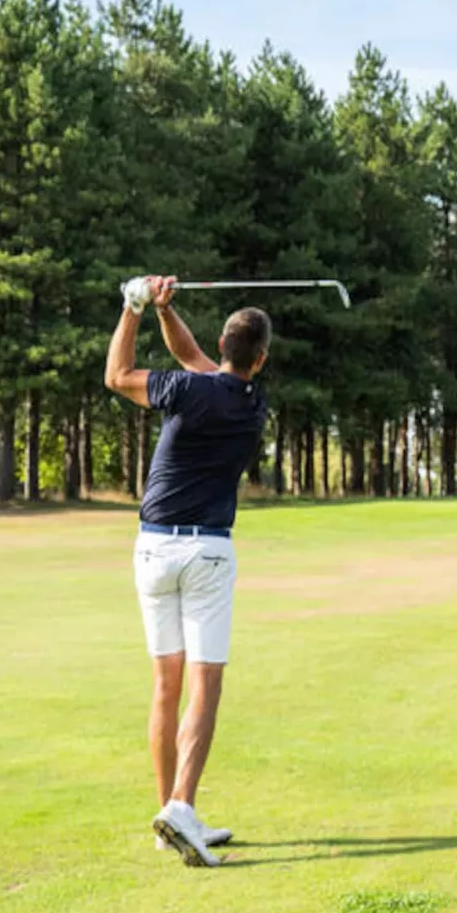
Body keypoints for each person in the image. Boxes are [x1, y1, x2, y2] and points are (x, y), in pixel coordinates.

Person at [104, 275, 271, 868]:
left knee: (165, 685)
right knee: (205, 684)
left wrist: (134, 307)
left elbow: (118, 376)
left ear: (223, 347)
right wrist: (163, 310)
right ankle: (178, 808)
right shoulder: (251, 401)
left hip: (151, 551)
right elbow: (192, 356)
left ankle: (172, 816)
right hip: (205, 554)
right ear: (260, 357)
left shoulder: (187, 390)